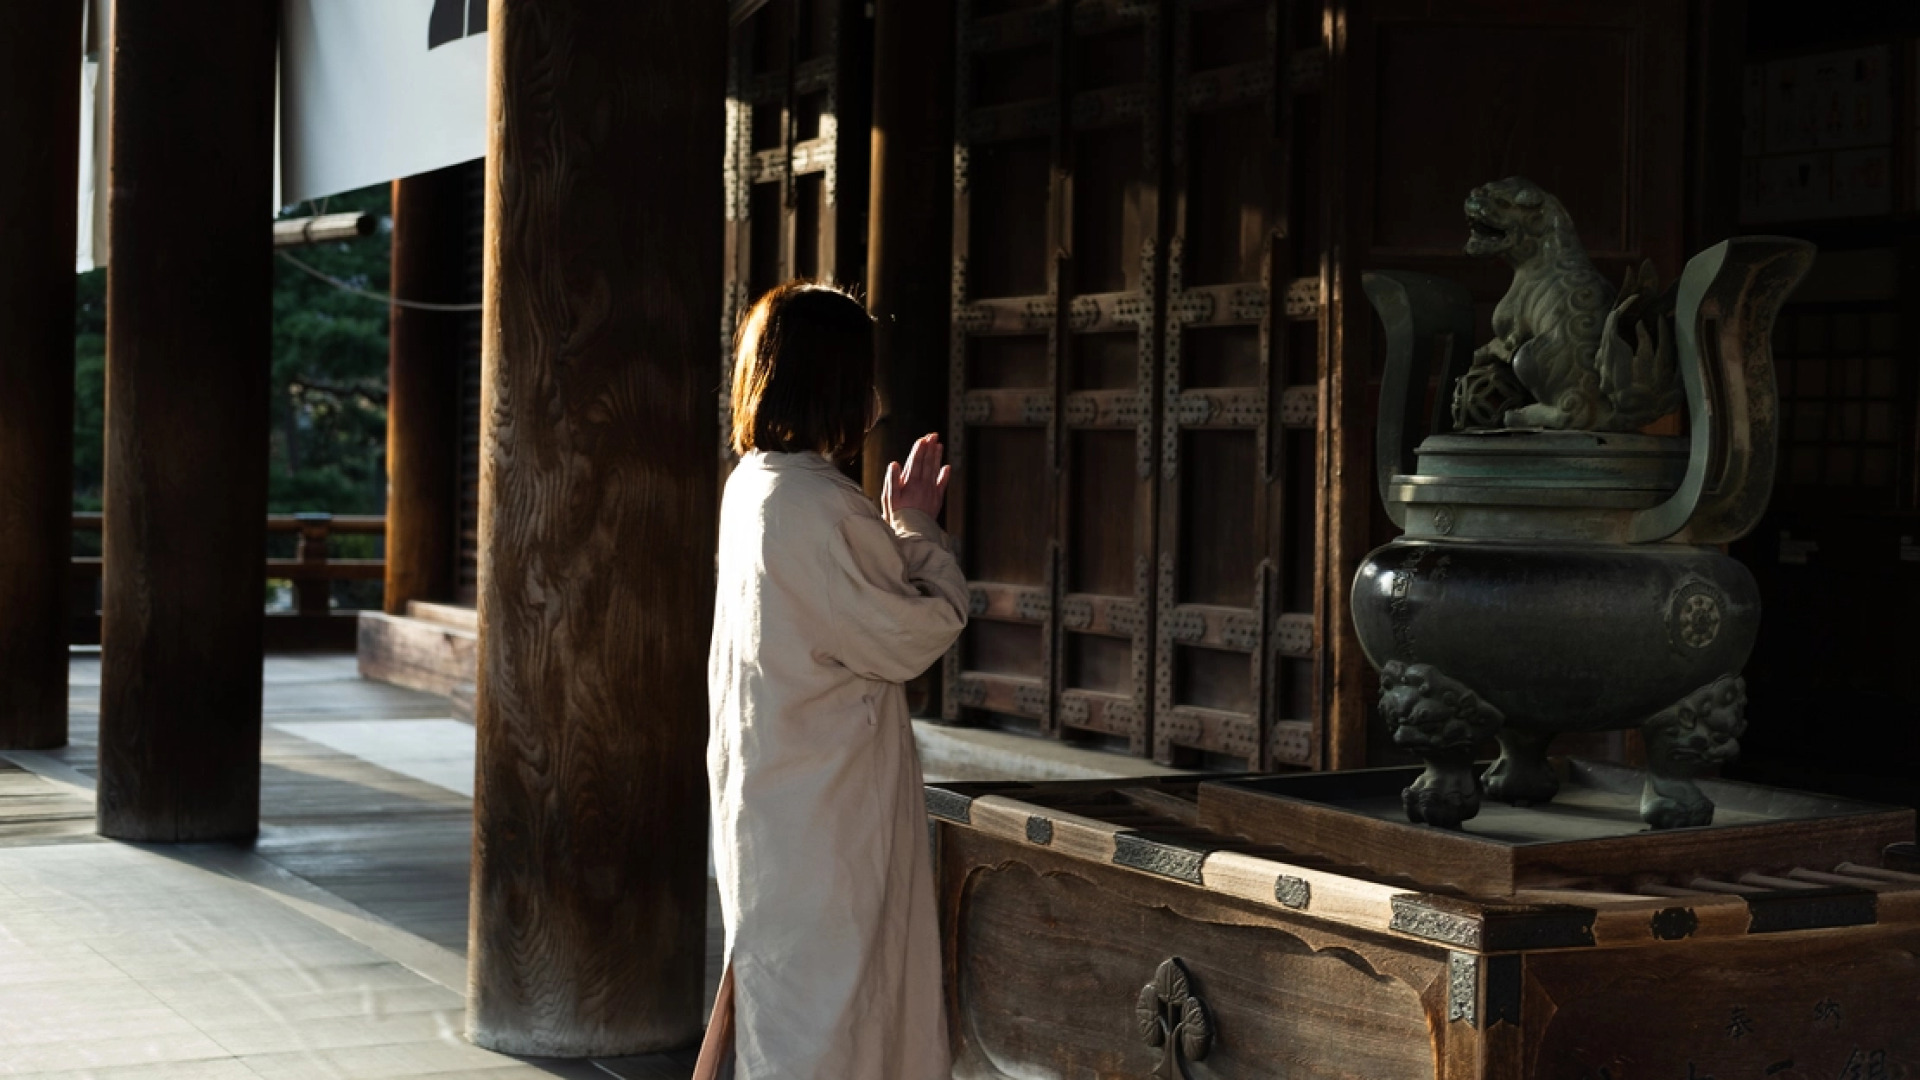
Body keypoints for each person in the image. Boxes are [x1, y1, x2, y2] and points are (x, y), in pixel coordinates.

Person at [699, 280, 967, 1080]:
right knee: (831, 1028)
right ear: (840, 382)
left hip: (772, 799)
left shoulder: (752, 485)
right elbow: (924, 627)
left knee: (789, 1011)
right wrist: (915, 529)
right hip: (826, 819)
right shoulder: (821, 509)